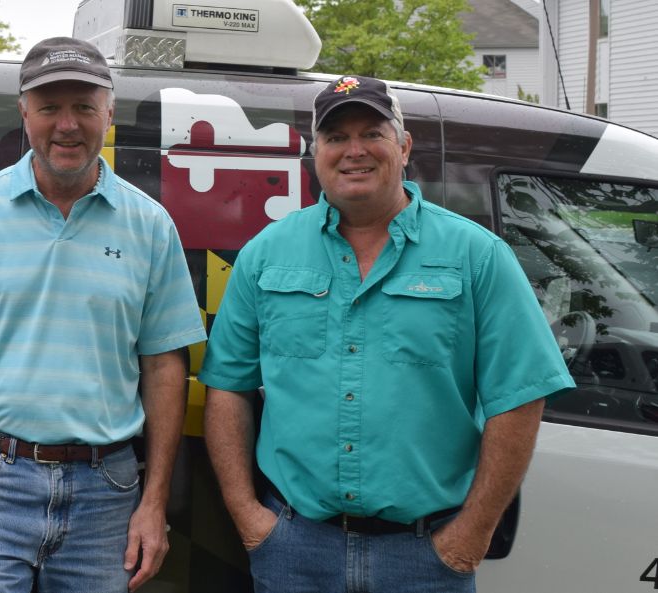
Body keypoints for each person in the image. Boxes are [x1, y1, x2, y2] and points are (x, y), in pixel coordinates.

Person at [199, 75, 574, 592]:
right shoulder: (267, 253)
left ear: (403, 146)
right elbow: (227, 386)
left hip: (425, 557)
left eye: (372, 133)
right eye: (335, 137)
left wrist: (471, 534)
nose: (354, 151)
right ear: (316, 153)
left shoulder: (477, 256)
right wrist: (248, 515)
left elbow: (519, 397)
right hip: (294, 550)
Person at [0, 37, 207, 593]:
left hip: (107, 489)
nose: (67, 125)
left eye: (84, 107)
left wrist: (154, 499)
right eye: (49, 107)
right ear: (24, 113)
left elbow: (165, 368)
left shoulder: (151, 225)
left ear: (109, 114)